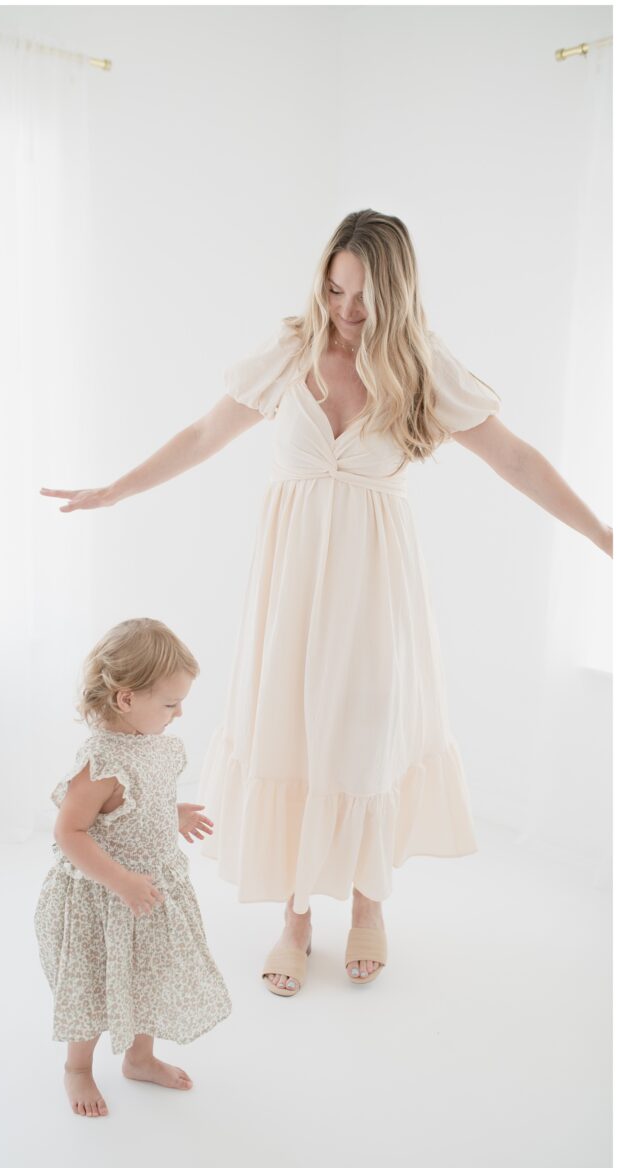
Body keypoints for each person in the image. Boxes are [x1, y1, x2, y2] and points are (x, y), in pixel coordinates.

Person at [41, 209, 612, 1000]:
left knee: (366, 732)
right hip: (293, 584)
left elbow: (515, 456)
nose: (347, 309)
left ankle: (369, 904)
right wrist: (114, 490)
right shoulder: (291, 353)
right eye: (336, 288)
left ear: (399, 293)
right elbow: (205, 434)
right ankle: (298, 914)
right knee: (293, 730)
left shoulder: (423, 367)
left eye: (366, 295)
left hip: (378, 584)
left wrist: (603, 535)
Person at [34, 617, 231, 1118]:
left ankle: (139, 1059)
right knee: (93, 983)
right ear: (125, 699)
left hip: (150, 890)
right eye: (169, 703)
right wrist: (119, 880)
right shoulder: (100, 762)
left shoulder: (156, 743)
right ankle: (78, 1066)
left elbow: (138, 804)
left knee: (148, 975)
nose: (179, 712)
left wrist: (172, 815)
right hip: (101, 899)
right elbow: (69, 832)